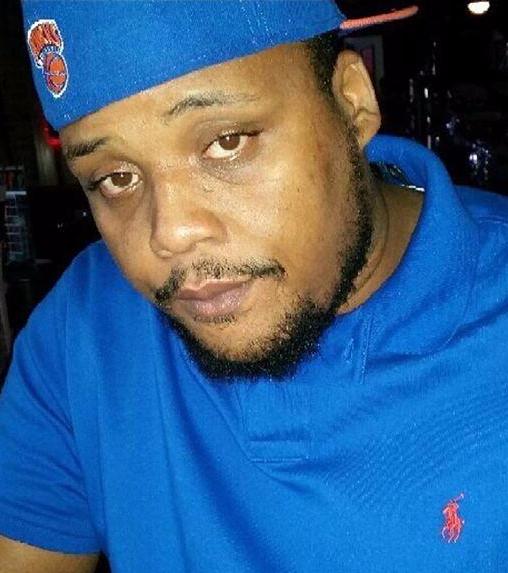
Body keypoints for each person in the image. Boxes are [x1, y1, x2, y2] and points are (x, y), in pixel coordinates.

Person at [1, 1, 508, 571]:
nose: (170, 233)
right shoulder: (85, 329)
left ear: (351, 102)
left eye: (227, 142)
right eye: (116, 178)